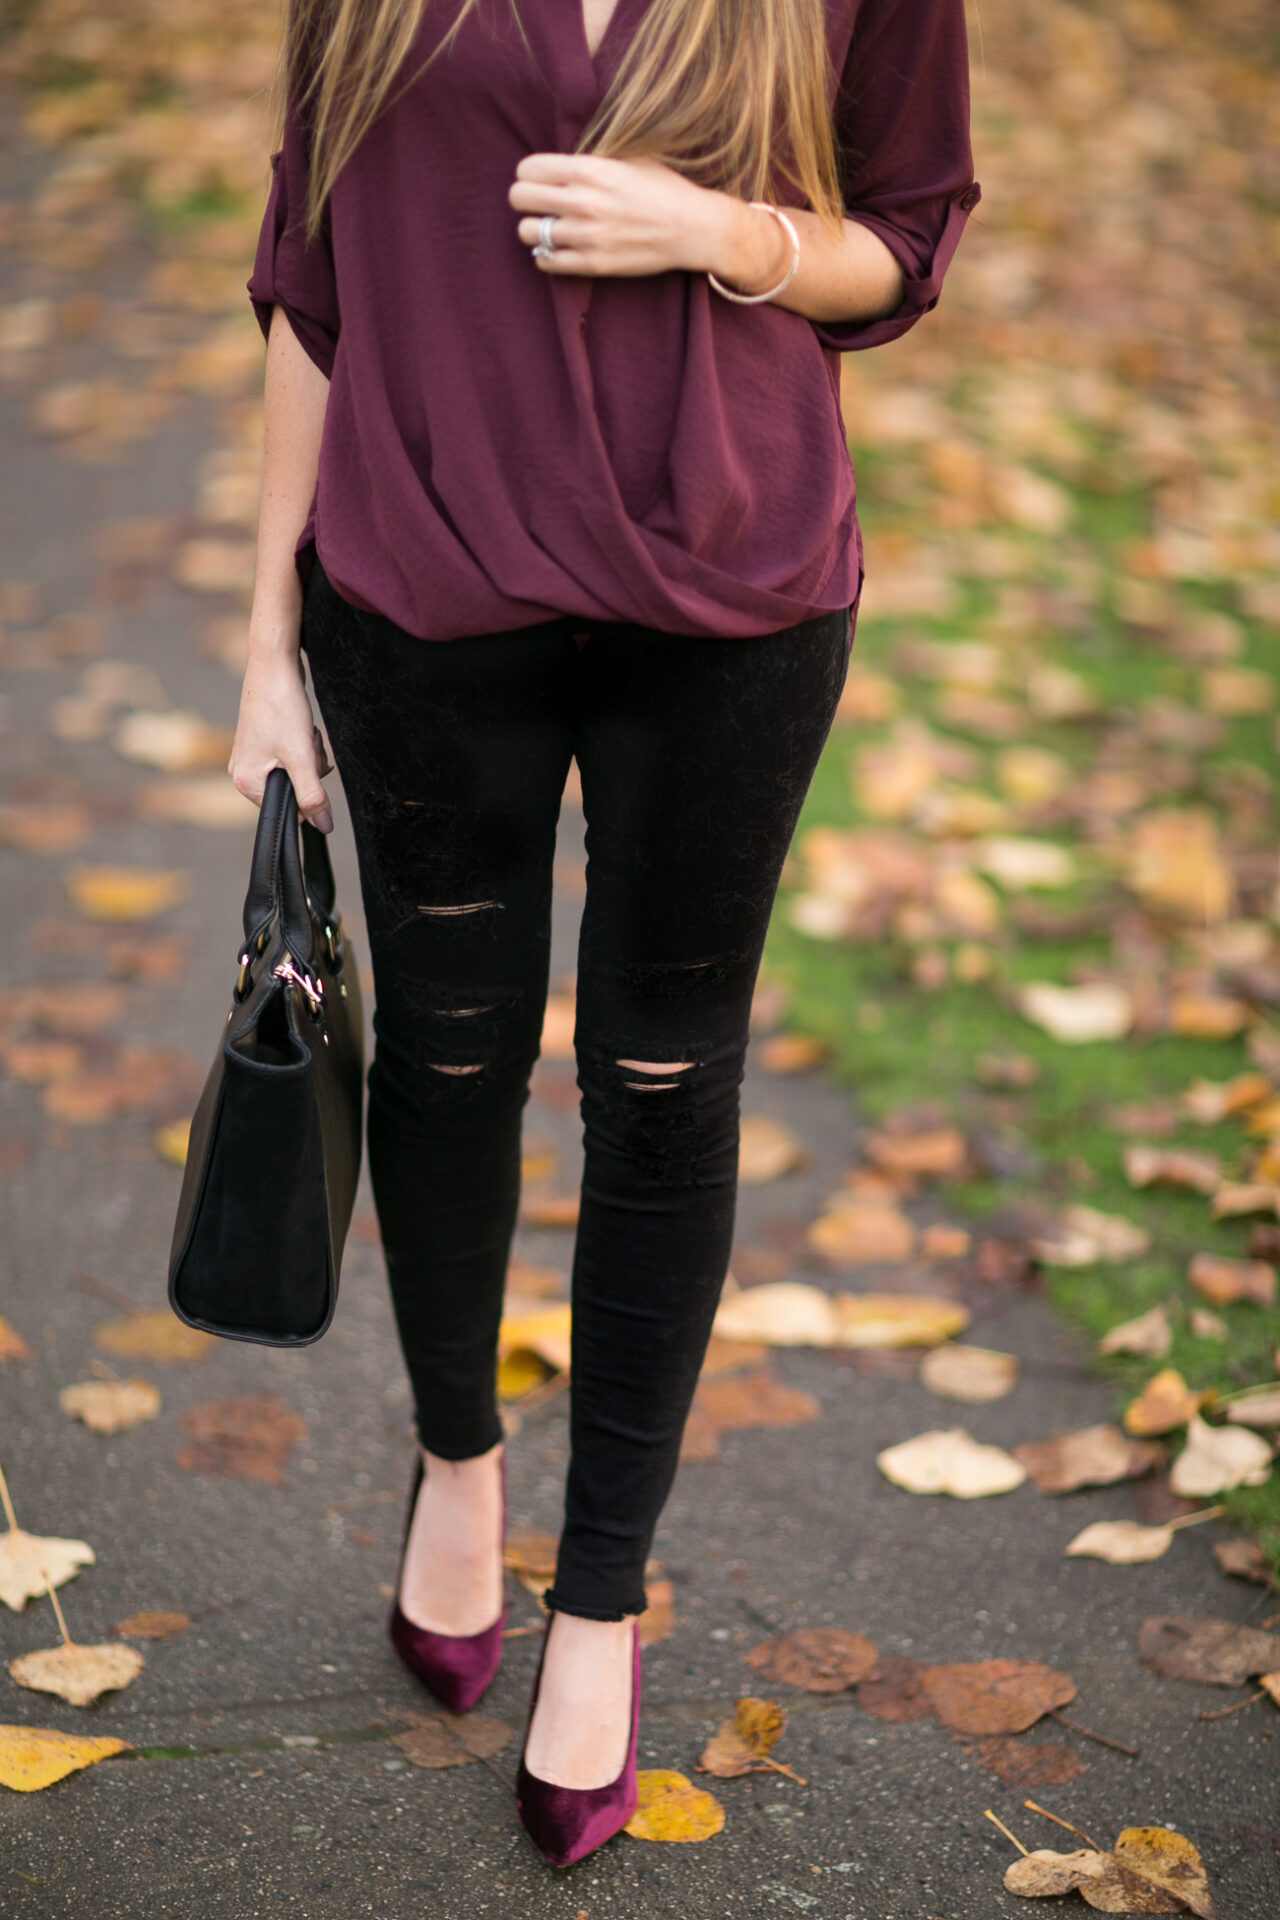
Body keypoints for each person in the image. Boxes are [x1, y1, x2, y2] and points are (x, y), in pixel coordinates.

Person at [231, 0, 979, 1871]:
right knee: (455, 1050)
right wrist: (261, 646)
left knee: (660, 1079)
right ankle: (461, 1462)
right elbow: (311, 288)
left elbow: (904, 231)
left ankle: (604, 1602)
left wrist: (723, 235)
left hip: (727, 600)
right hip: (421, 587)